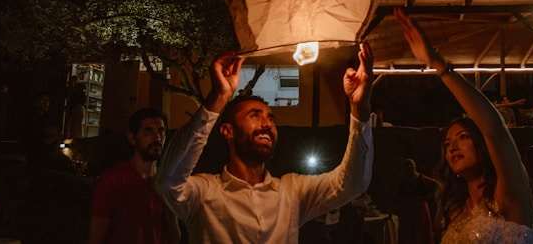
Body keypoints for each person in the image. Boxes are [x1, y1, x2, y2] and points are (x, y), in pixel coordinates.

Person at [157, 43, 375, 243]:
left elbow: (353, 183)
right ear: (227, 130)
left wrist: (359, 109)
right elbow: (169, 180)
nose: (267, 124)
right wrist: (219, 97)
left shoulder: (292, 192)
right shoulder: (203, 192)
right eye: (255, 115)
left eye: (271, 118)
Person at [394, 8, 533, 243]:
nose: (452, 148)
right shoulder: (456, 211)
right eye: (447, 143)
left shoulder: (508, 195)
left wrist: (439, 65)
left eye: (462, 137)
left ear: (481, 144)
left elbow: (495, 130)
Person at [89, 107, 180, 244]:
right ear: (132, 138)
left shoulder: (166, 180)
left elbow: (175, 238)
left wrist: (168, 204)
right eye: (148, 131)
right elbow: (96, 237)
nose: (157, 137)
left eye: (161, 131)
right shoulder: (112, 179)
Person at [393, 158, 437, 244]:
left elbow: (436, 185)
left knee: (420, 230)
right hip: (407, 209)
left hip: (419, 208)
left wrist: (429, 197)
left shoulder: (421, 178)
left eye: (411, 166)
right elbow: (396, 194)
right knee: (408, 231)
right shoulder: (401, 179)